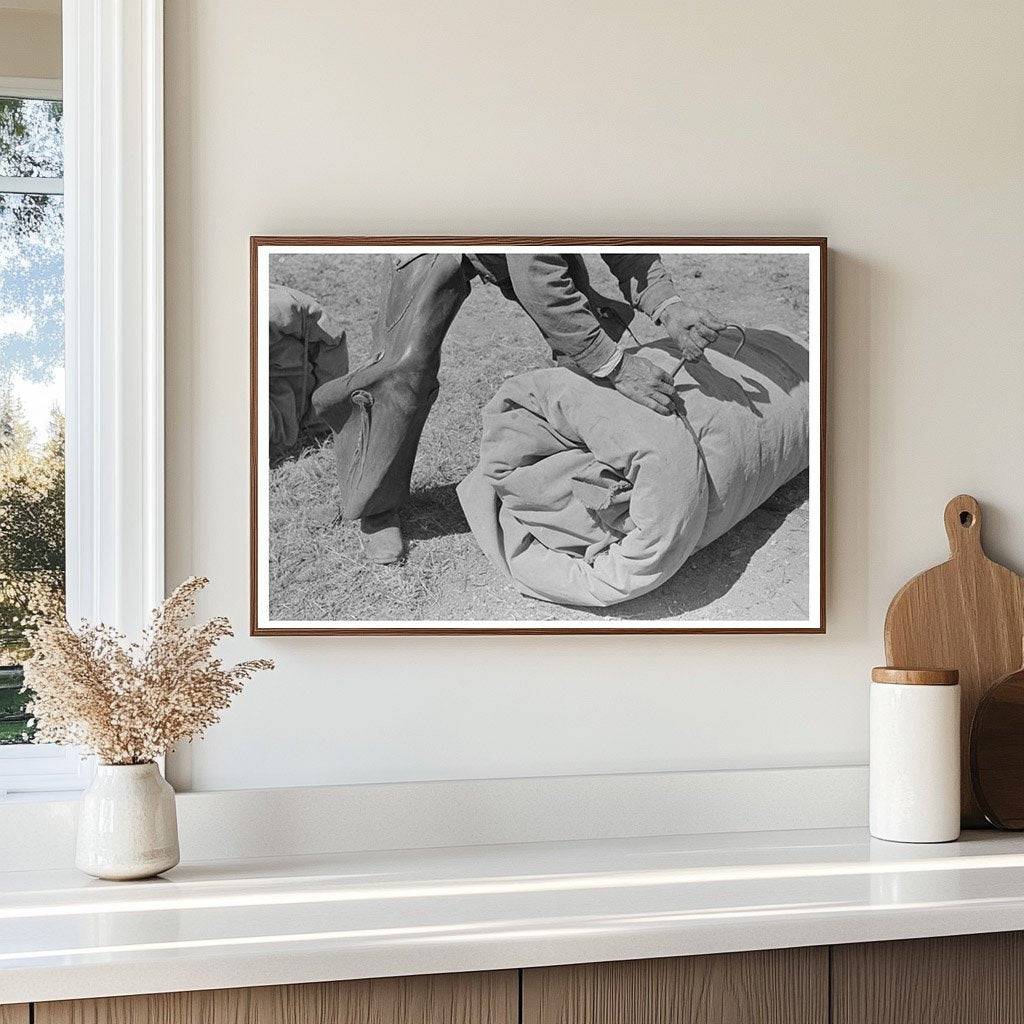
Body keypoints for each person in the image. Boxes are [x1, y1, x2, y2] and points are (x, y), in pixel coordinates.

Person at [311, 252, 725, 564]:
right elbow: (537, 277)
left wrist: (667, 305)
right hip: (439, 213)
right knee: (403, 373)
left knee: (593, 327)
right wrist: (614, 365)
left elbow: (625, 246)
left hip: (518, 233)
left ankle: (580, 468)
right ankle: (376, 507)